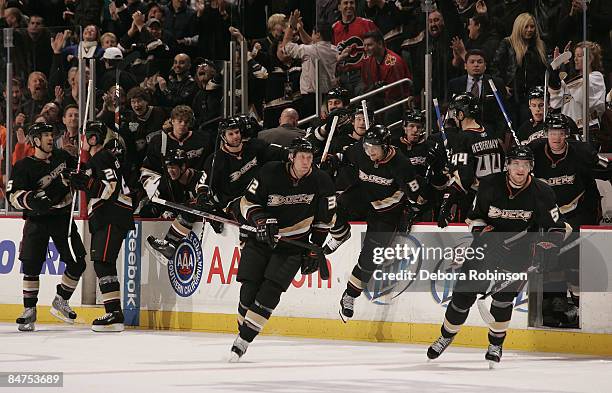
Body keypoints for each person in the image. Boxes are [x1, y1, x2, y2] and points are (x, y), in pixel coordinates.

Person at [427, 146, 571, 365]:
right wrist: (485, 238)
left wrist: (548, 249)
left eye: (525, 164)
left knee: (503, 301)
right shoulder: (490, 185)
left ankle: (496, 344)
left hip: (520, 252)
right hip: (486, 248)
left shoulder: (542, 192)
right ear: (507, 165)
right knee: (462, 297)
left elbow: (557, 228)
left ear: (531, 167)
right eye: (515, 164)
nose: (520, 169)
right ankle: (446, 336)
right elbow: (474, 219)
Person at [229, 138, 336, 361]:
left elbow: (325, 219)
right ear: (291, 157)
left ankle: (244, 341)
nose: (307, 162)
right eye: (302, 157)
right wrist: (260, 220)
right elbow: (246, 202)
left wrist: (315, 246)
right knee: (249, 290)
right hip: (260, 240)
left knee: (271, 290)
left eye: (310, 157)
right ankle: (244, 328)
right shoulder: (269, 172)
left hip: (292, 246)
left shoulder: (321, 180)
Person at [331, 124, 427, 321]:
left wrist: (411, 211)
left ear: (386, 146)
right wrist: (334, 160)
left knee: (371, 256)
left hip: (386, 209)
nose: (370, 152)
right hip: (363, 196)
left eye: (374, 148)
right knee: (332, 205)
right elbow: (345, 156)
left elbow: (415, 195)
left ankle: (350, 295)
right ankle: (340, 234)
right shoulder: (361, 149)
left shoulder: (402, 164)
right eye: (367, 147)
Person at [531, 113, 612, 327]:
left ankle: (579, 300)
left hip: (580, 210)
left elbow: (608, 170)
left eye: (560, 133)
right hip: (551, 214)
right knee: (549, 254)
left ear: (567, 134)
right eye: (552, 133)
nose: (556, 138)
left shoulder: (582, 152)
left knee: (574, 256)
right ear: (545, 133)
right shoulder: (533, 152)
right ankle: (555, 300)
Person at [7, 122, 87, 331]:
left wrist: (81, 176)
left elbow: (82, 169)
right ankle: (30, 310)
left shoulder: (62, 157)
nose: (50, 138)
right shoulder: (23, 166)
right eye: (45, 135)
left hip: (62, 217)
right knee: (31, 266)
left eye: (51, 135)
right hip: (37, 220)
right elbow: (12, 195)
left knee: (78, 262)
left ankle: (61, 299)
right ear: (35, 141)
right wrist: (30, 199)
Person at [69, 121, 135, 332]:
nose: (82, 140)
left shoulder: (102, 156)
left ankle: (114, 314)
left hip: (111, 215)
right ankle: (114, 312)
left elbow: (111, 187)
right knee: (103, 262)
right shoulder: (97, 160)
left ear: (93, 138)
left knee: (103, 262)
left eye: (85, 136)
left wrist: (86, 183)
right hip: (109, 216)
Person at [437, 93, 508, 228]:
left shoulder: (463, 138)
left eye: (455, 113)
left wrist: (446, 204)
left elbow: (464, 180)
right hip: (501, 196)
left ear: (461, 114)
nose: (454, 118)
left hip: (479, 200)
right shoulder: (490, 131)